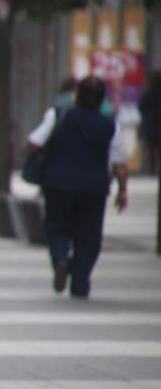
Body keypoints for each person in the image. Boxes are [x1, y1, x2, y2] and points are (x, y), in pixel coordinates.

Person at [27, 75, 128, 298]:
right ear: (102, 99)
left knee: (56, 228)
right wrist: (123, 191)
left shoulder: (58, 115)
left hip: (58, 184)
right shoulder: (111, 125)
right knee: (89, 237)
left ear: (77, 96)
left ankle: (61, 259)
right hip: (94, 189)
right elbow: (119, 163)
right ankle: (80, 283)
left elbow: (33, 142)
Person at [138, 71, 161, 174]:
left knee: (151, 147)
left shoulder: (149, 93)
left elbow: (141, 107)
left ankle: (152, 169)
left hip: (151, 124)